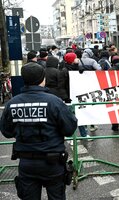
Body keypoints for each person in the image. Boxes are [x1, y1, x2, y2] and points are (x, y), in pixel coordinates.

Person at [0, 63, 78, 200]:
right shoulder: (55, 102)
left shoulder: (12, 103)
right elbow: (69, 129)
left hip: (26, 163)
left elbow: (6, 131)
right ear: (43, 79)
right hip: (53, 163)